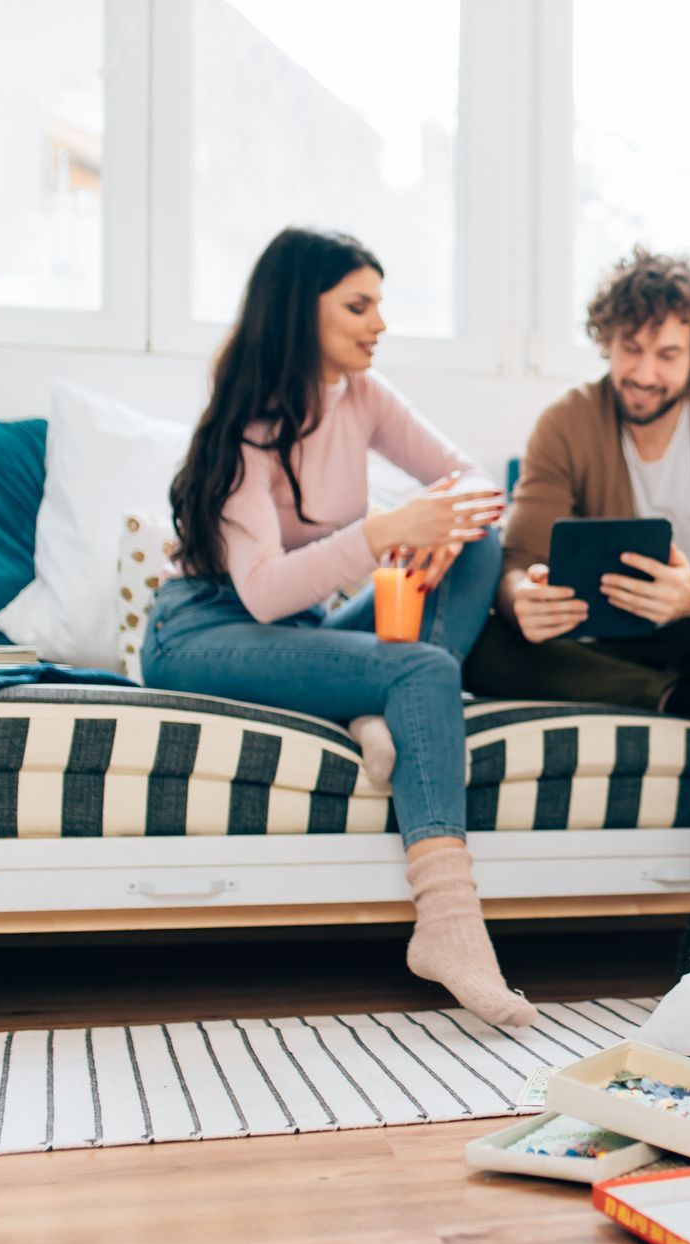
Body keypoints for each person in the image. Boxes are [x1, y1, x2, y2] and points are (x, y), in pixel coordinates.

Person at [143, 226, 534, 1027]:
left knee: (477, 542)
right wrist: (388, 531)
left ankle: (374, 708)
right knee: (423, 669)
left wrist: (443, 527)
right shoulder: (247, 423)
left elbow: (478, 488)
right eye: (359, 305)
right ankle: (450, 925)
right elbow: (260, 595)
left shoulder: (364, 396)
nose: (378, 323)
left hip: (306, 629)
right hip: (202, 633)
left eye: (380, 304)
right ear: (299, 312)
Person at [463, 246, 690, 977]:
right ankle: (688, 702)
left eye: (668, 353)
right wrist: (519, 600)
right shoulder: (567, 421)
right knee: (480, 645)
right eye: (631, 348)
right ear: (607, 340)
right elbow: (511, 563)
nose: (645, 371)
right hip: (627, 643)